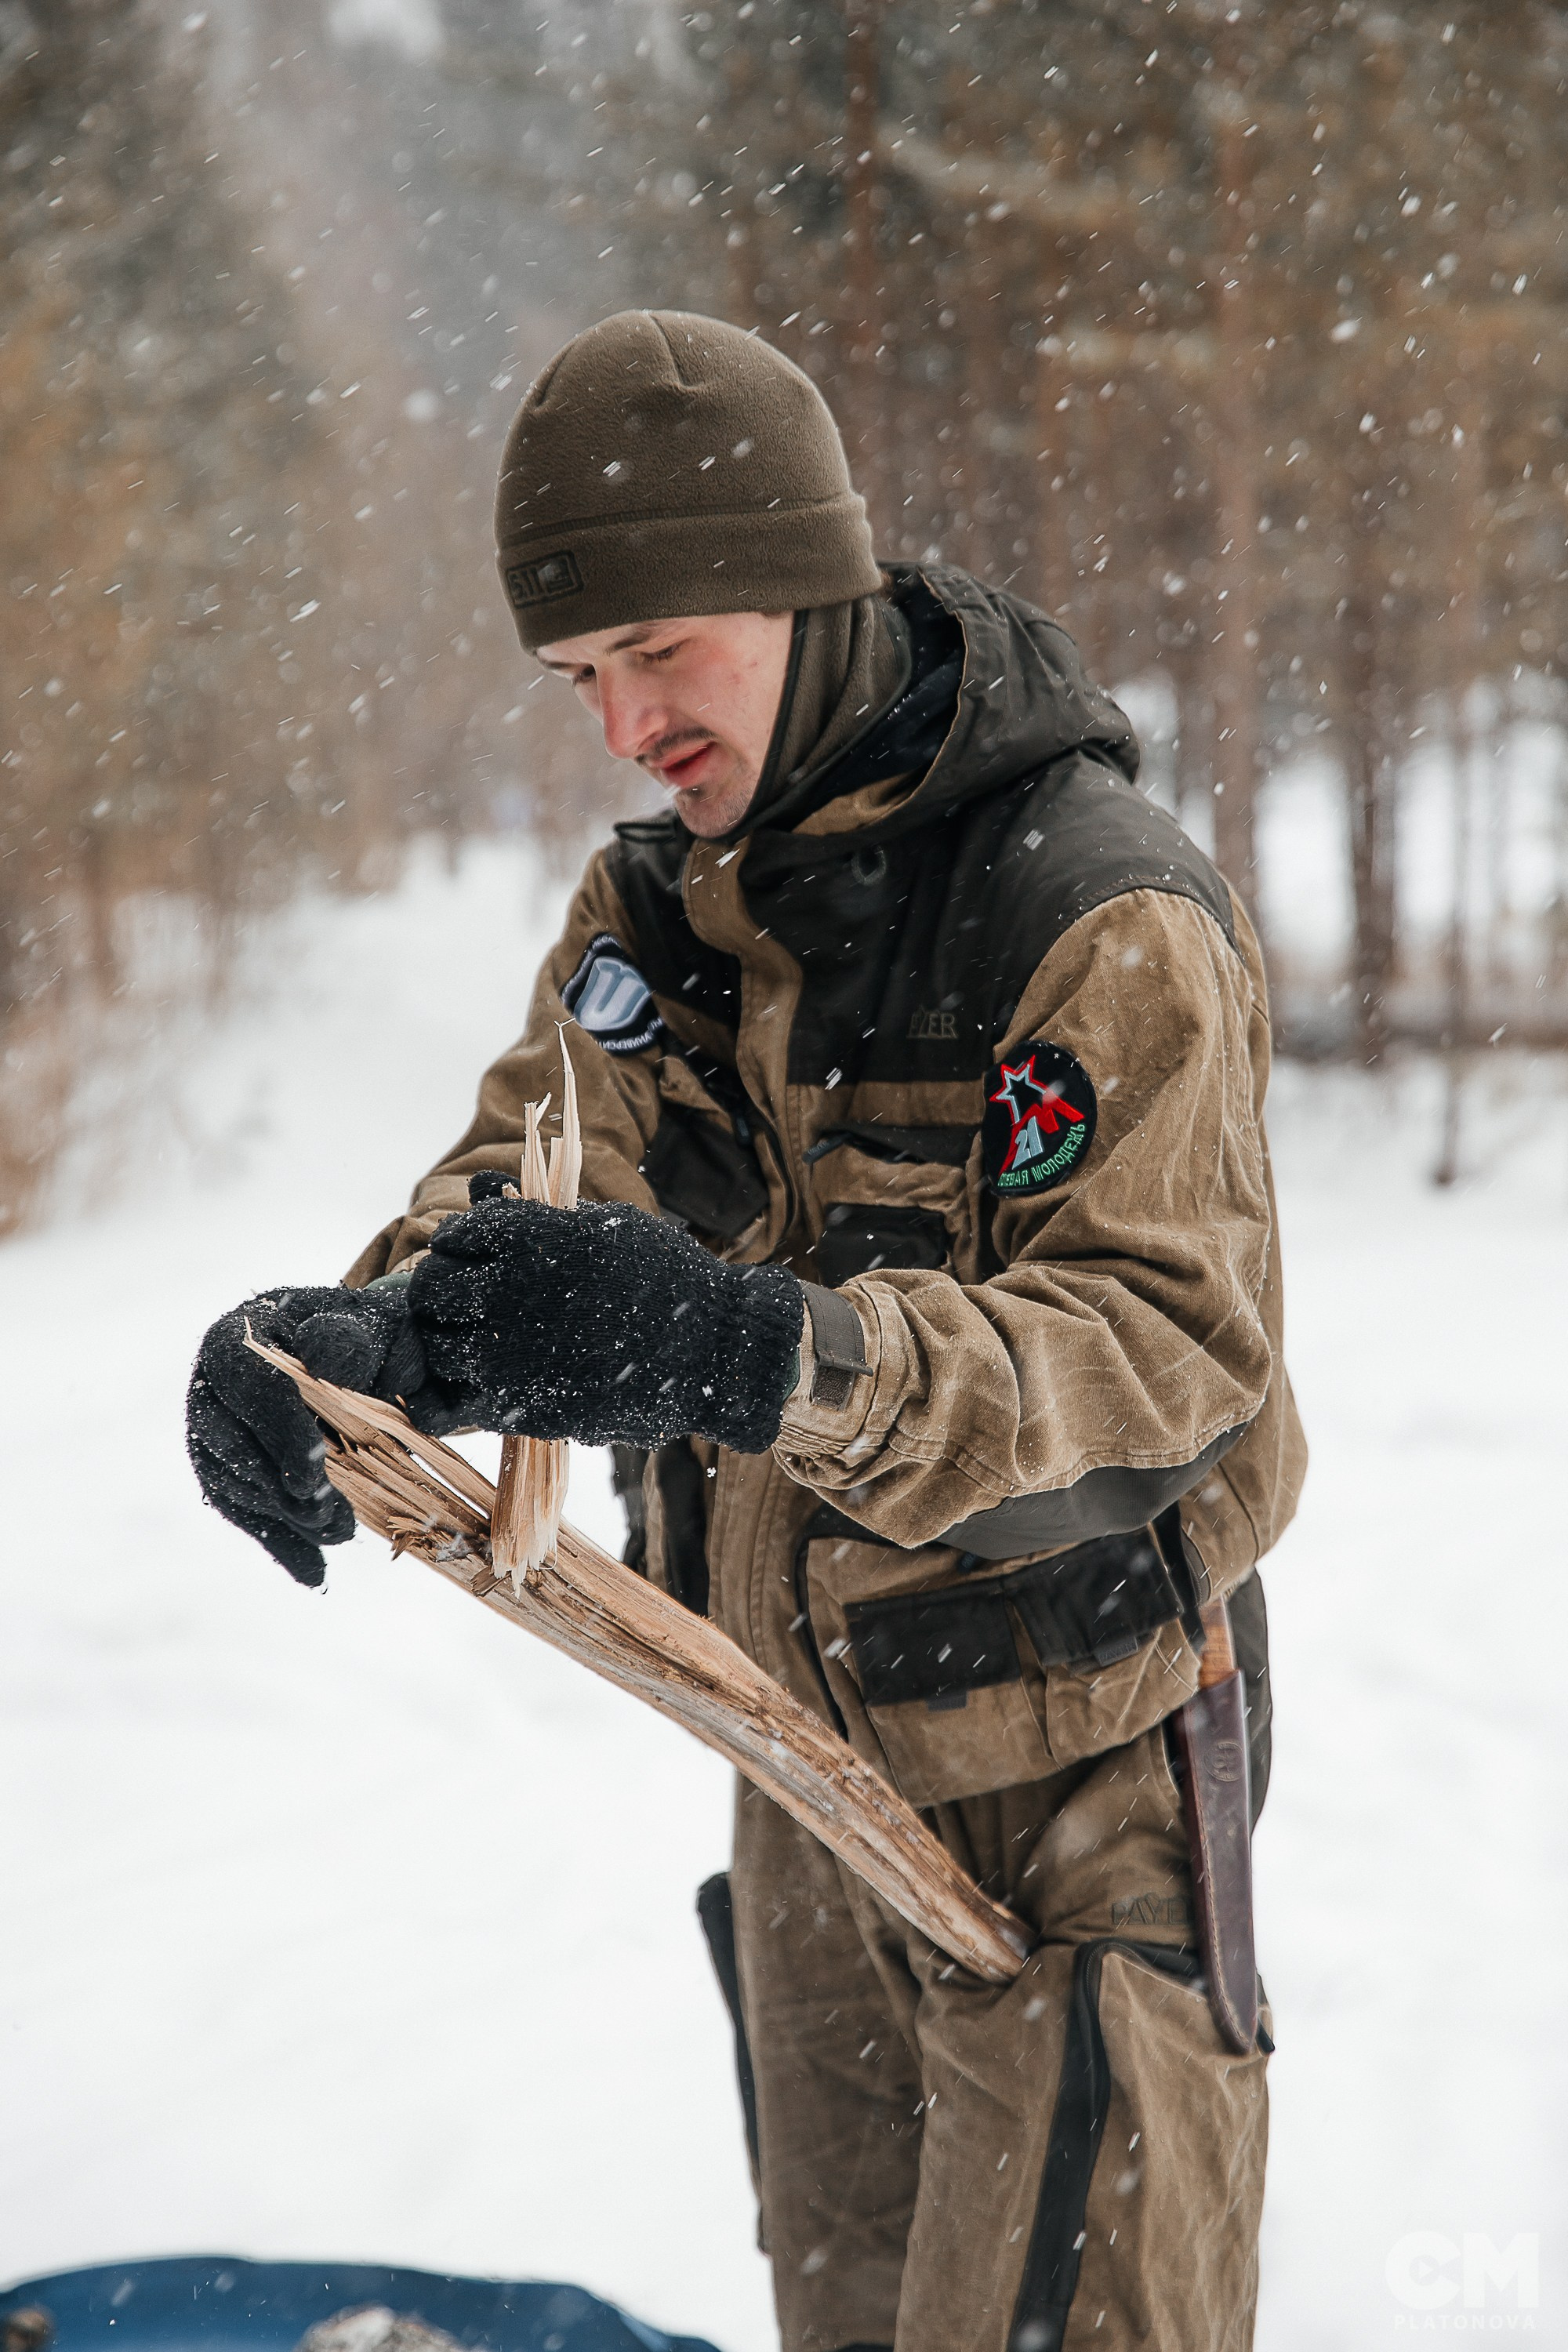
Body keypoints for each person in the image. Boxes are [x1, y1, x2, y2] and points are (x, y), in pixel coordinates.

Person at [187, 310, 1306, 2352]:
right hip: (800, 1797)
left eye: (661, 653)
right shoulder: (658, 923)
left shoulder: (1089, 908)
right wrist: (351, 1349)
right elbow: (523, 1188)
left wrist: (748, 1352)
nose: (623, 725)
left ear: (807, 580)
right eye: (581, 677)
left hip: (1074, 1816)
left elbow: (1160, 1354)